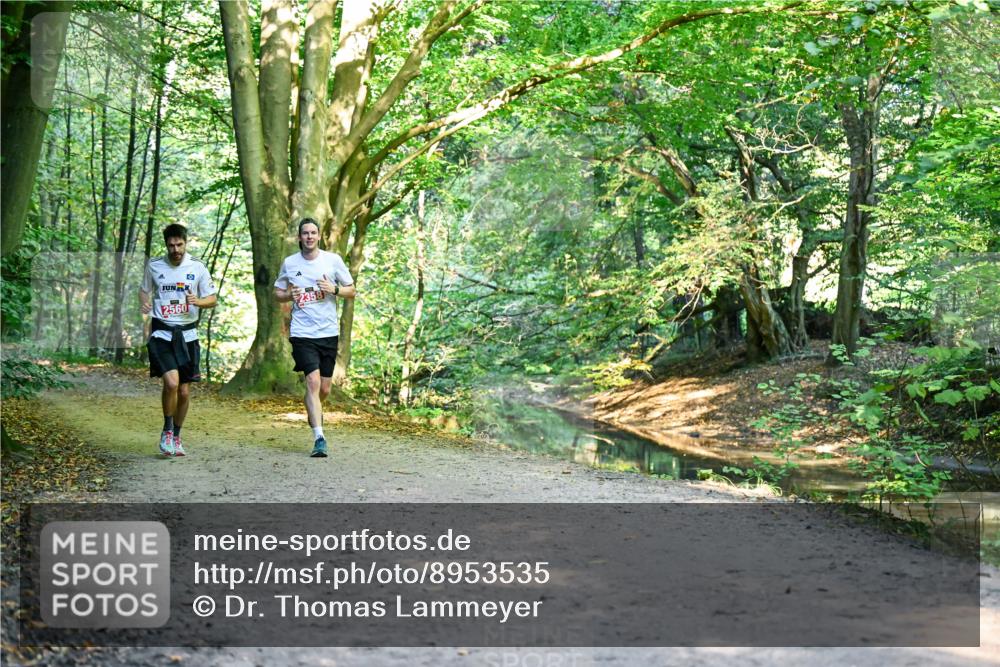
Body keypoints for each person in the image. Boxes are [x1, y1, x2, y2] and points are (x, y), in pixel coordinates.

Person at [273, 218, 356, 457]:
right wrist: (289, 294)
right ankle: (319, 437)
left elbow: (352, 291)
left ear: (319, 236)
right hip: (302, 332)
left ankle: (313, 406)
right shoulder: (290, 263)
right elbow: (278, 293)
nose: (309, 237)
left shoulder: (333, 261)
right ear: (299, 238)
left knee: (325, 388)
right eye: (305, 233)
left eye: (313, 233)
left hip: (328, 332)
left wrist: (335, 290)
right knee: (313, 382)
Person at [139, 223, 218, 457]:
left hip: (188, 335)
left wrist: (198, 301)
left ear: (186, 243)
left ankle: (177, 436)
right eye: (171, 245)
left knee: (184, 391)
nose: (176, 249)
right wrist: (144, 302)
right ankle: (166, 430)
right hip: (162, 333)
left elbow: (212, 298)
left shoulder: (198, 268)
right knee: (171, 383)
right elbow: (144, 290)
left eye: (179, 244)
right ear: (166, 245)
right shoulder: (154, 266)